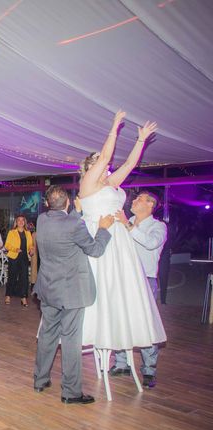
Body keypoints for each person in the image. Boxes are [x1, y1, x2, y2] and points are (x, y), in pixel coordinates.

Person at [77, 110, 166, 360]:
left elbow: (129, 165)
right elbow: (106, 156)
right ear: (90, 167)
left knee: (121, 293)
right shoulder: (88, 185)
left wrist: (140, 140)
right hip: (100, 237)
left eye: (103, 163)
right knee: (102, 288)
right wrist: (114, 127)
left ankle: (121, 349)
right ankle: (99, 337)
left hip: (120, 241)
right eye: (98, 161)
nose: (104, 164)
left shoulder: (110, 183)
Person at [33, 186, 113, 404]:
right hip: (71, 292)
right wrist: (104, 230)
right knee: (70, 339)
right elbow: (95, 249)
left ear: (47, 204)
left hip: (48, 288)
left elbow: (65, 226)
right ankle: (71, 392)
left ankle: (40, 380)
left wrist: (74, 213)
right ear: (68, 203)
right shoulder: (74, 223)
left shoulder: (41, 220)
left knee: (48, 334)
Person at [112, 191, 167, 388]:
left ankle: (149, 370)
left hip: (145, 280)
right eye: (135, 198)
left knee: (146, 323)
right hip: (123, 277)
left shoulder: (158, 226)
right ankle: (121, 363)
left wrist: (127, 224)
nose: (134, 201)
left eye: (139, 199)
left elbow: (151, 243)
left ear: (151, 204)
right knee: (120, 319)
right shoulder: (126, 220)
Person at [4, 215, 33, 307]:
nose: (20, 222)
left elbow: (30, 245)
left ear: (25, 222)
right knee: (12, 277)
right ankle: (8, 295)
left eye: (22, 220)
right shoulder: (12, 232)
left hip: (24, 257)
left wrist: (31, 249)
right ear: (16, 222)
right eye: (19, 220)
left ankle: (23, 297)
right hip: (14, 257)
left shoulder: (28, 233)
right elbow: (7, 245)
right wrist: (15, 249)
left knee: (24, 278)